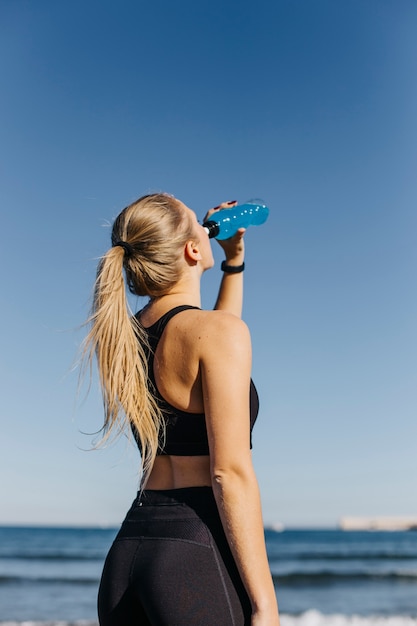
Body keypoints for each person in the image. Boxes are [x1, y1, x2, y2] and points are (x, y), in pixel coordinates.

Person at [84, 193, 280, 626]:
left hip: (131, 552)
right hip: (192, 554)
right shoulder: (213, 333)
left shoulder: (123, 339)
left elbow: (211, 344)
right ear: (193, 249)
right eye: (196, 220)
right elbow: (229, 472)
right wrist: (266, 605)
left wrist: (234, 262)